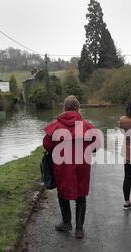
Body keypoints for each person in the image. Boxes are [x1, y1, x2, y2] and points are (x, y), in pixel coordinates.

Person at [43, 96, 99, 239]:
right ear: (77, 109)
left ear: (64, 108)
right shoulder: (86, 126)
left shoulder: (56, 126)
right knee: (81, 195)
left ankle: (67, 223)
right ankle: (79, 230)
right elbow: (96, 145)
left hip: (62, 167)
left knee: (63, 193)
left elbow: (47, 146)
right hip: (82, 166)